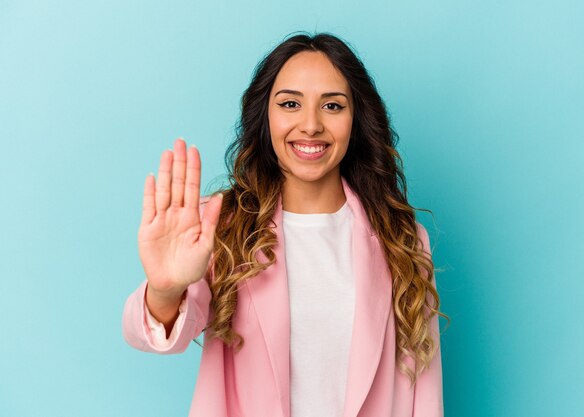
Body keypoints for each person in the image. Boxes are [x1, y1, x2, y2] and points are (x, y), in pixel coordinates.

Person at [122, 32, 446, 417]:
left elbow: (423, 389)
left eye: (332, 106)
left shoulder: (402, 237)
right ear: (266, 116)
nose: (310, 125)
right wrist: (165, 290)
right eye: (290, 103)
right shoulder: (222, 225)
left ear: (356, 120)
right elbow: (156, 337)